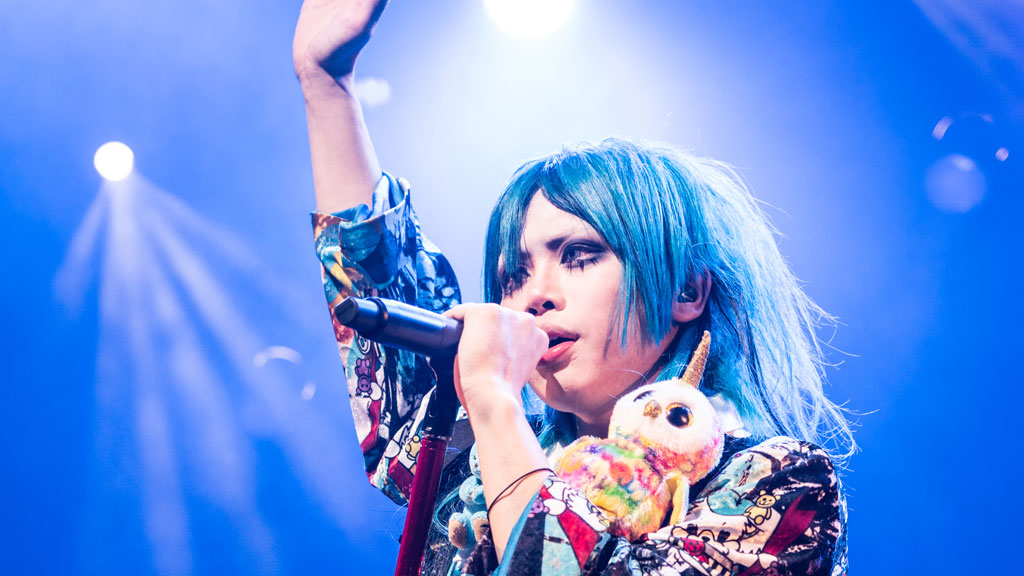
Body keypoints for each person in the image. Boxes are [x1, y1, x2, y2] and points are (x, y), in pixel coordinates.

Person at [293, 1, 854, 574]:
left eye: (579, 257)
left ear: (686, 290)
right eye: (513, 277)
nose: (534, 295)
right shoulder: (477, 471)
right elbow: (390, 350)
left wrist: (494, 400)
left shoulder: (775, 487)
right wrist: (326, 85)